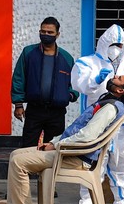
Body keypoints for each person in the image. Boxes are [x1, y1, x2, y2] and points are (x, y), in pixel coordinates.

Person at [0, 75, 124, 204]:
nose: (115, 76)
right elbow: (75, 130)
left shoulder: (110, 107)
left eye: (119, 78)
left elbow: (87, 136)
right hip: (68, 151)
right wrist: (54, 143)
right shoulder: (107, 102)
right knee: (15, 154)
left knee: (19, 162)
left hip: (75, 157)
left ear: (120, 90)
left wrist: (56, 145)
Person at [69, 24, 124, 204]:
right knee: (93, 165)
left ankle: (123, 203)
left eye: (120, 45)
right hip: (97, 123)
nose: (116, 48)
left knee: (121, 166)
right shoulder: (87, 63)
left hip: (123, 124)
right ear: (103, 43)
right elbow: (80, 84)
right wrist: (95, 80)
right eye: (113, 44)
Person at [11, 16, 77, 148]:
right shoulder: (28, 53)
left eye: (50, 32)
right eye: (43, 31)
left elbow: (75, 83)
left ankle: (49, 170)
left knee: (52, 150)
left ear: (57, 34)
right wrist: (18, 104)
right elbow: (19, 77)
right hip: (34, 110)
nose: (46, 35)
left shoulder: (66, 58)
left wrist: (69, 95)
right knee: (27, 148)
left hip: (57, 113)